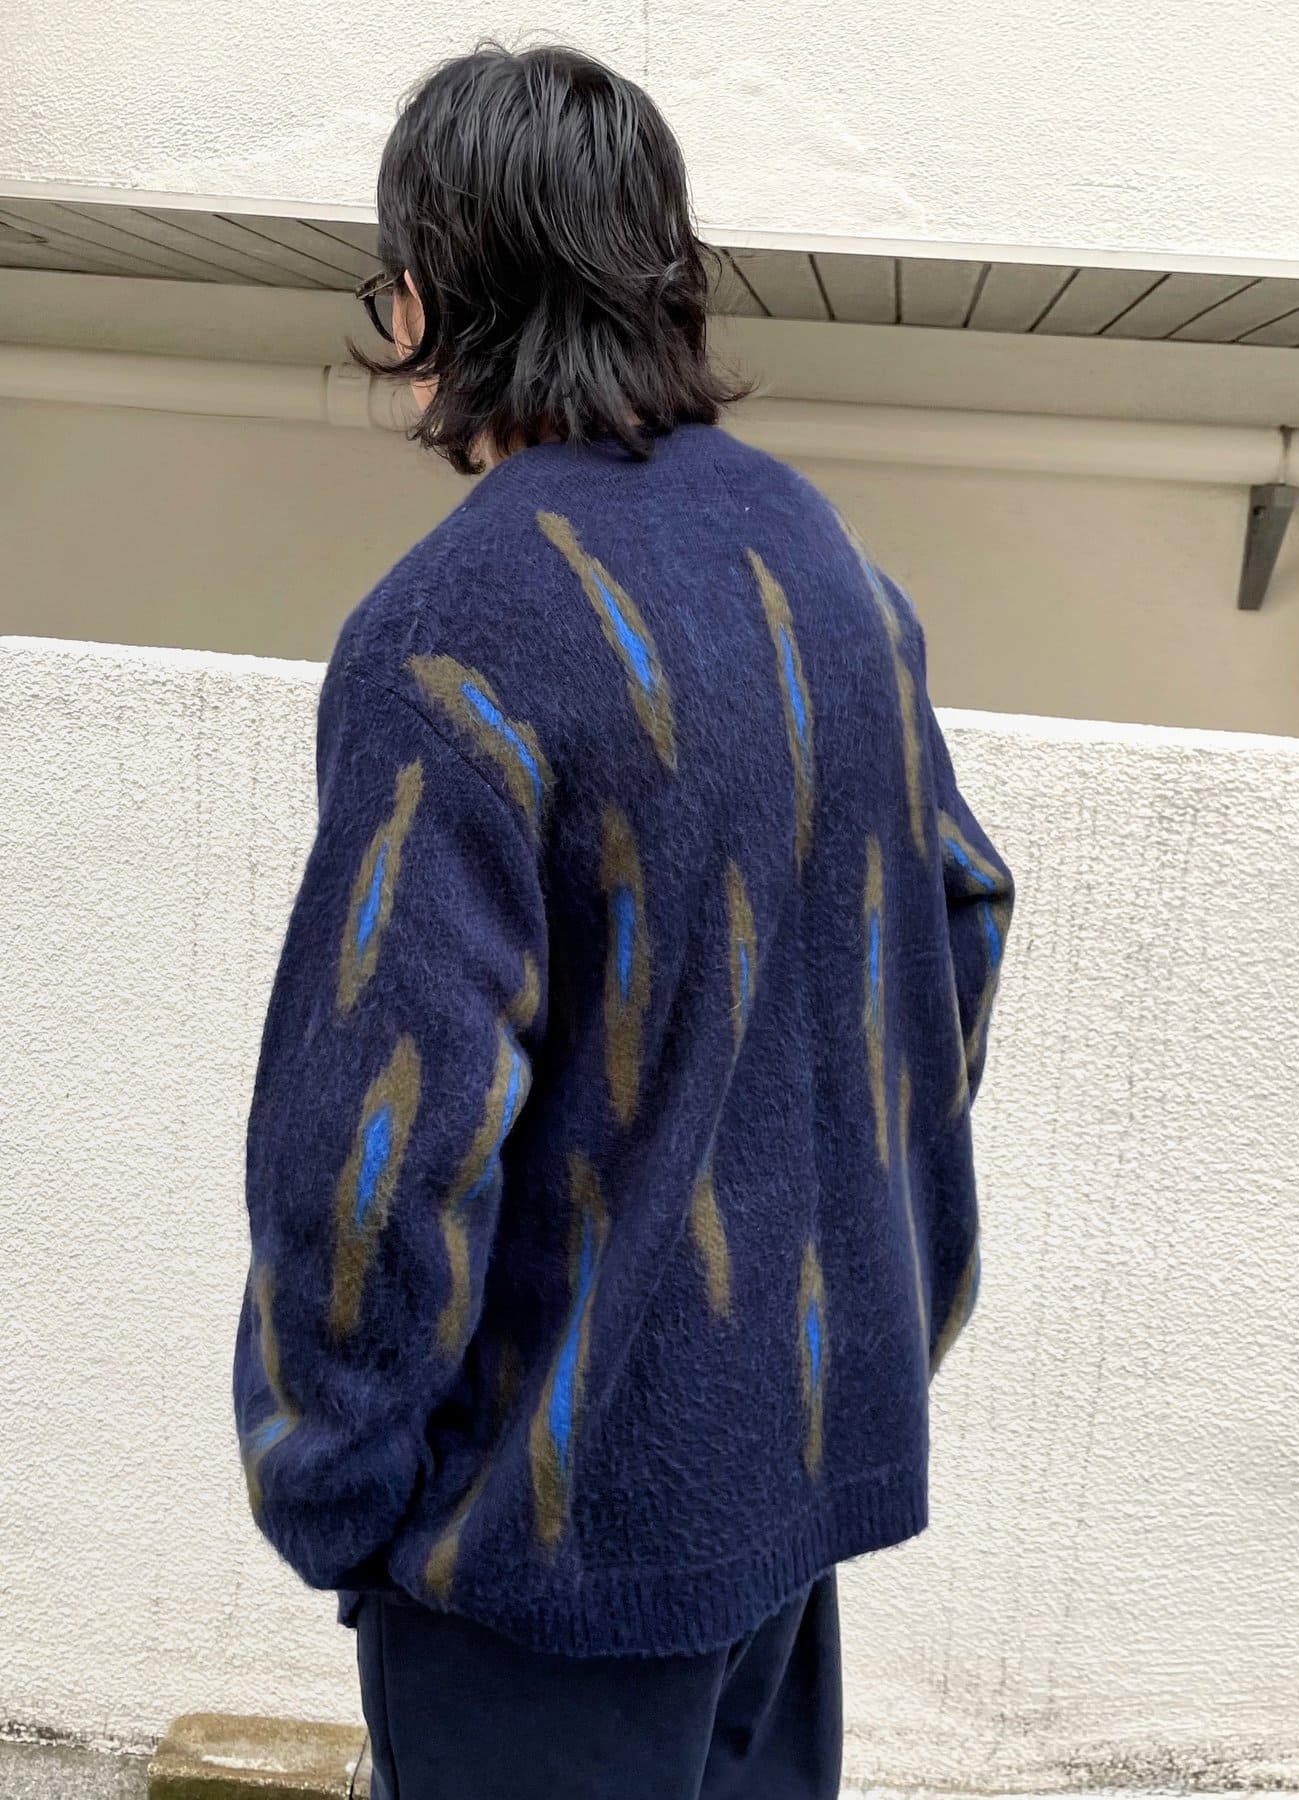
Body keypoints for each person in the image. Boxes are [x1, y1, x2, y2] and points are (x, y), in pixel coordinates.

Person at [232, 41, 1014, 1800]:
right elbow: (957, 926)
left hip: (549, 1549)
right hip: (793, 1474)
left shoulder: (454, 632)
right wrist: (880, 1304)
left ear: (428, 297)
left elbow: (377, 1140)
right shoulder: (824, 562)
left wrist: (341, 1492)